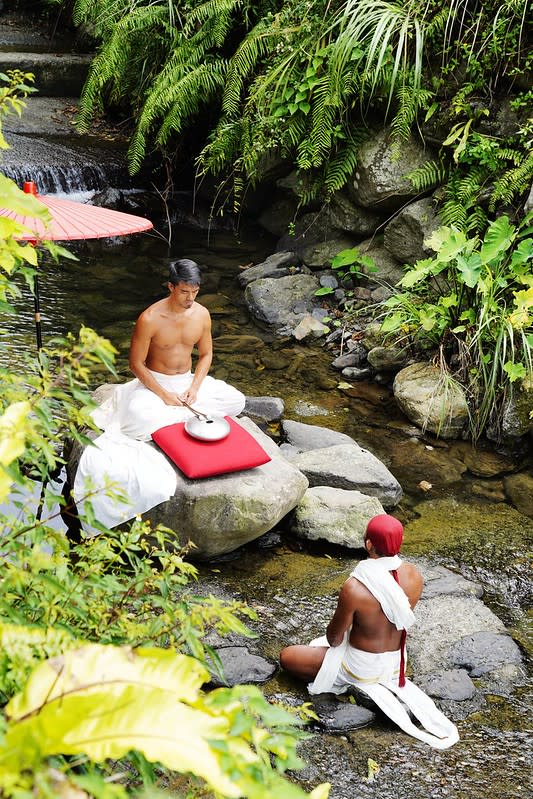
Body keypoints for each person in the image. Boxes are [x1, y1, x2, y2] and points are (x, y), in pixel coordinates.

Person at [279, 514, 459, 749]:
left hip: (361, 667)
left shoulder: (355, 587)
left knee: (288, 656)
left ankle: (349, 681)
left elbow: (334, 640)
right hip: (395, 664)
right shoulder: (415, 575)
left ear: (369, 544)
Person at [118, 258, 246, 441]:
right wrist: (165, 395)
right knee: (137, 420)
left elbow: (206, 354)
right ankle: (190, 416)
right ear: (171, 287)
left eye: (195, 291)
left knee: (237, 400)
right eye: (184, 292)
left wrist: (194, 388)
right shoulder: (149, 318)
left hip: (187, 381)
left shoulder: (202, 314)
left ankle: (176, 416)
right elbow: (135, 364)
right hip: (156, 383)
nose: (190, 298)